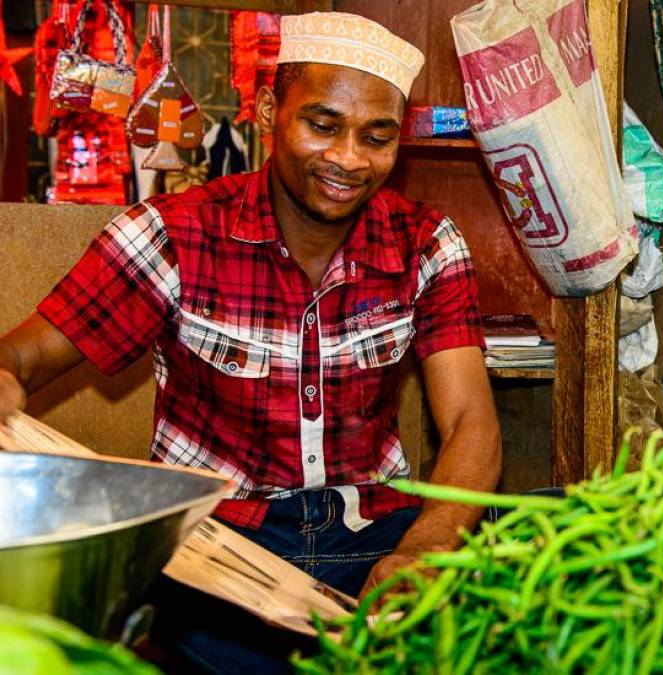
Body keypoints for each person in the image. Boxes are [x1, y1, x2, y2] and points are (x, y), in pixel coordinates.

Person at [0, 11, 500, 671]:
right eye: (322, 125)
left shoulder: (427, 243)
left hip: (375, 538)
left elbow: (471, 421)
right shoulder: (173, 236)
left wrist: (423, 551)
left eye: (375, 137)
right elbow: (21, 357)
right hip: (218, 549)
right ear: (269, 110)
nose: (349, 158)